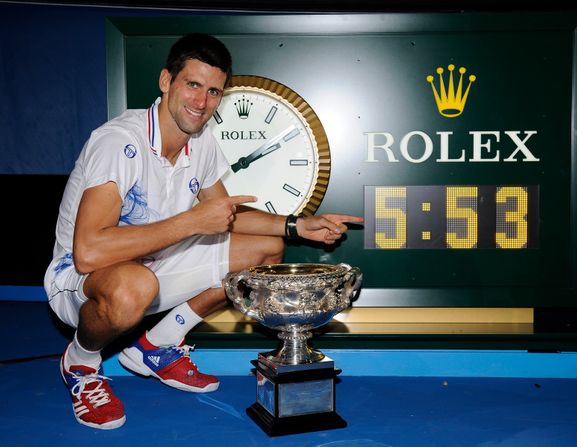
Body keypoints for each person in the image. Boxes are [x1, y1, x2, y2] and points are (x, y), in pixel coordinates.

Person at [44, 33, 362, 430]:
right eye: (192, 85)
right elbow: (89, 251)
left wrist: (297, 225)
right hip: (81, 279)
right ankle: (81, 362)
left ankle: (156, 345)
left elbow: (224, 214)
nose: (202, 102)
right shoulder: (118, 142)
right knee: (132, 287)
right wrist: (192, 222)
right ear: (166, 81)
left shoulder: (202, 141)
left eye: (214, 91)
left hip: (155, 264)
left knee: (266, 248)